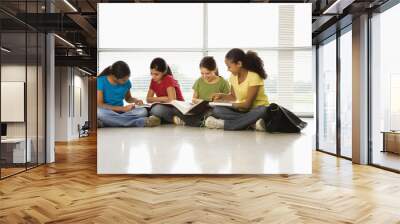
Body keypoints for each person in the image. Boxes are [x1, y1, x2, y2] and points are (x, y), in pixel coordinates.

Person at [204, 48, 269, 131]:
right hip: (243, 111)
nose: (228, 69)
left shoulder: (254, 77)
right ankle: (251, 123)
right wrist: (221, 96)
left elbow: (247, 105)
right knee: (217, 110)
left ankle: (224, 124)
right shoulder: (233, 77)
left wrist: (231, 105)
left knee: (262, 110)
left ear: (239, 63)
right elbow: (233, 97)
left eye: (229, 67)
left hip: (256, 110)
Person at [97, 61, 160, 128]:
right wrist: (122, 108)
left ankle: (105, 123)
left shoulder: (127, 82)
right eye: (123, 80)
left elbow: (128, 98)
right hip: (107, 111)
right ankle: (141, 122)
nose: (126, 81)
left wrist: (136, 100)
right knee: (99, 113)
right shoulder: (101, 81)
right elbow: (100, 104)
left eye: (127, 79)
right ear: (114, 77)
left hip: (121, 112)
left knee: (143, 111)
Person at [173, 56, 230, 127]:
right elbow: (193, 99)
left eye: (207, 73)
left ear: (214, 70)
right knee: (176, 110)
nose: (205, 76)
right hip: (199, 110)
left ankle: (189, 121)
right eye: (202, 73)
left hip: (213, 109)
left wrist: (218, 100)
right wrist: (200, 101)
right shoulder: (199, 81)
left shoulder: (223, 82)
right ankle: (202, 122)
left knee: (215, 111)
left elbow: (228, 100)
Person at [147, 57, 185, 124]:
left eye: (156, 74)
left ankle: (176, 119)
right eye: (151, 73)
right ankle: (173, 119)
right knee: (150, 110)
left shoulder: (168, 79)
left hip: (177, 107)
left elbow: (172, 99)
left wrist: (155, 99)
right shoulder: (153, 81)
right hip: (166, 107)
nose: (153, 77)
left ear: (164, 72)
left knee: (156, 110)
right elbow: (148, 99)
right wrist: (163, 99)